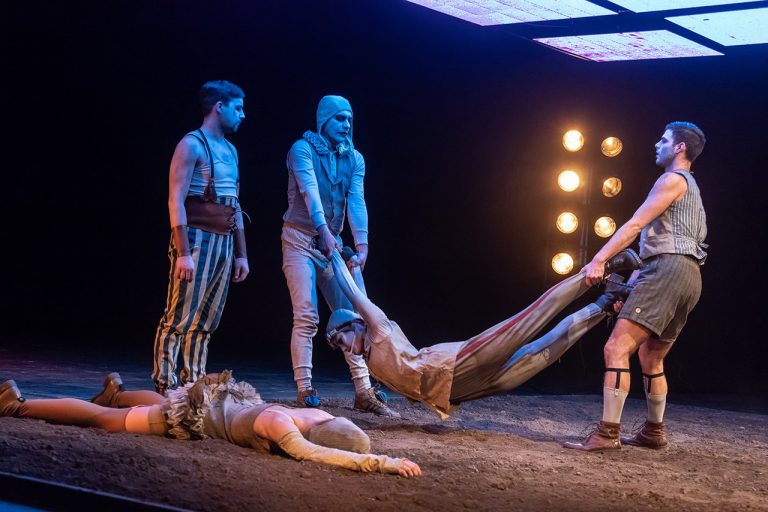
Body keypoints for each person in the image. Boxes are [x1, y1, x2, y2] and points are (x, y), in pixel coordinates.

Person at [324, 248, 641, 419]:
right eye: (340, 347)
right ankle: (605, 304)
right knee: (543, 354)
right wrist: (354, 268)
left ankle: (608, 266)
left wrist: (334, 253)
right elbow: (359, 292)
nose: (346, 349)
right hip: (454, 392)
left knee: (531, 318)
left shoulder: (378, 329)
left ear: (356, 325)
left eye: (342, 340)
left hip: (455, 363)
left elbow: (355, 296)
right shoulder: (369, 352)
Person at [563, 122, 707, 451]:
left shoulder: (672, 179)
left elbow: (635, 225)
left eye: (664, 140)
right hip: (688, 276)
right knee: (651, 356)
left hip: (667, 270)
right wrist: (631, 287)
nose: (657, 144)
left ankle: (607, 433)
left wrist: (598, 260)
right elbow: (660, 246)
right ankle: (654, 432)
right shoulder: (693, 189)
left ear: (680, 148)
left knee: (616, 348)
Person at [0, 372, 421, 477]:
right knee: (107, 422)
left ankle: (115, 392)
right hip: (199, 413)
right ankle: (17, 405)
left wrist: (373, 452)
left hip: (219, 399)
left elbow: (328, 440)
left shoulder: (318, 416)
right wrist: (380, 462)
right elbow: (314, 453)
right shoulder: (280, 426)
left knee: (158, 402)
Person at [281, 95, 396, 416]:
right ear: (324, 121)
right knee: (307, 315)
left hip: (332, 245)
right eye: (339, 118)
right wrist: (323, 229)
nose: (346, 124)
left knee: (352, 315)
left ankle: (364, 390)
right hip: (300, 240)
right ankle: (305, 388)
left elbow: (356, 200)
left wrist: (362, 245)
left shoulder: (354, 158)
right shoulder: (302, 149)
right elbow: (309, 191)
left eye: (349, 119)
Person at [152, 81, 250, 395]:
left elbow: (234, 204)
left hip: (224, 241)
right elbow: (175, 200)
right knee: (179, 316)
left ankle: (194, 382)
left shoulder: (231, 151)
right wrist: (183, 252)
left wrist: (241, 253)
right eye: (238, 108)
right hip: (196, 239)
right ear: (219, 106)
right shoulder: (191, 144)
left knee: (207, 319)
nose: (243, 115)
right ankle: (166, 385)